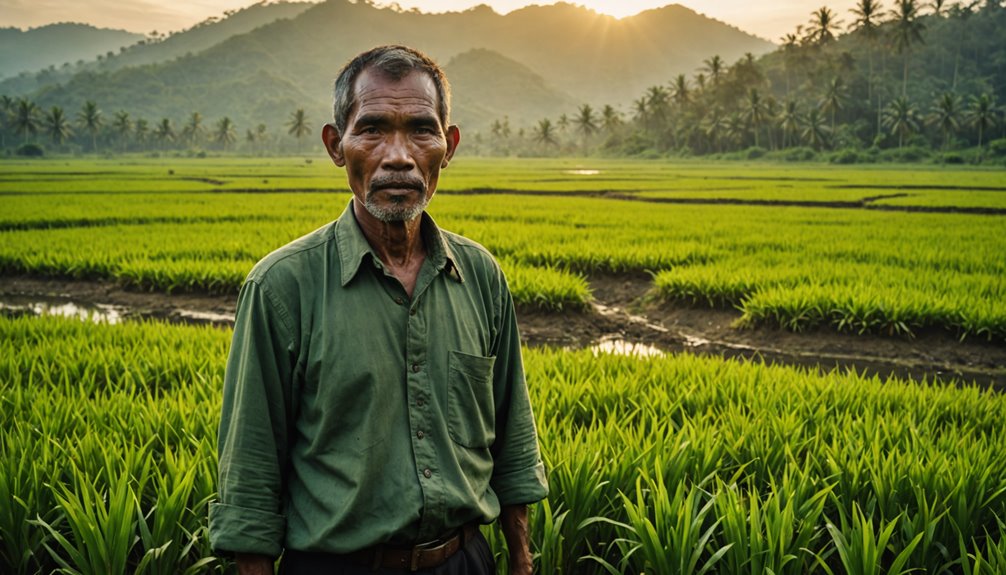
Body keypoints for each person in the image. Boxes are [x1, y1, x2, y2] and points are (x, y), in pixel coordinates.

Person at [208, 45, 548, 575]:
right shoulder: (282, 287)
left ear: (449, 145)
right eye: (372, 130)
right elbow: (251, 470)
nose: (398, 156)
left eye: (420, 129)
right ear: (335, 145)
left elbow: (513, 435)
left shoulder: (480, 276)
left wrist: (522, 558)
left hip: (464, 561)